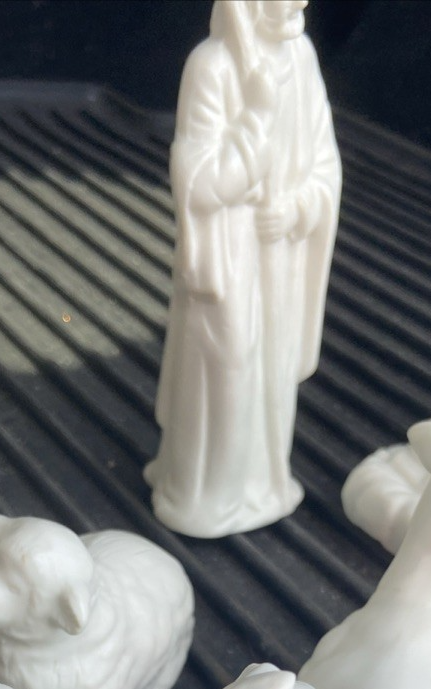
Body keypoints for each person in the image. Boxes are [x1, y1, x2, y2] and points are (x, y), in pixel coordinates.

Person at [144, 0, 342, 538]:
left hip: (281, 253)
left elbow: (325, 162)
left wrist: (298, 209)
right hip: (229, 256)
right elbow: (200, 182)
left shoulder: (300, 56)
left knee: (271, 368)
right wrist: (256, 116)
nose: (299, 3)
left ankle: (261, 485)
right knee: (226, 365)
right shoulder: (212, 66)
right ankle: (207, 494)